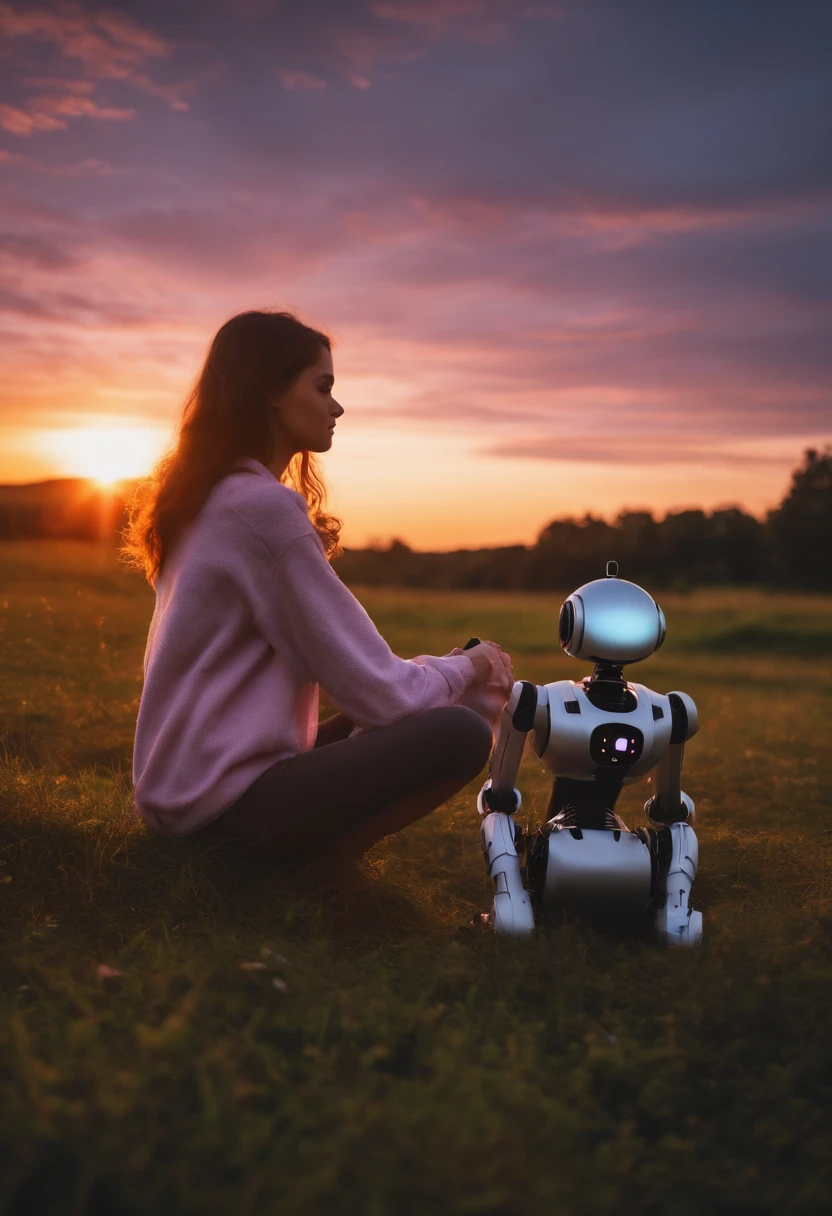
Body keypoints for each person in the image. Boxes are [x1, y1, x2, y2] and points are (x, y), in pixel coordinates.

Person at [122, 310, 515, 869]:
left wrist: (439, 674)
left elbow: (363, 689)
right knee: (458, 733)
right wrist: (473, 668)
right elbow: (382, 693)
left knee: (398, 716)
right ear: (271, 391)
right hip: (223, 811)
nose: (336, 406)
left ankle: (303, 865)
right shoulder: (262, 510)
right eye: (322, 386)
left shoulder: (205, 500)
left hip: (184, 795)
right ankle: (317, 873)